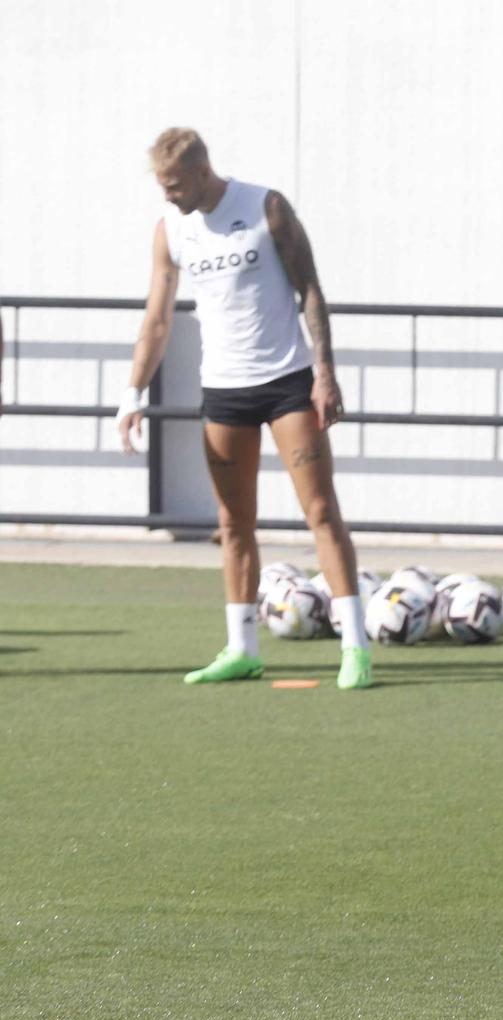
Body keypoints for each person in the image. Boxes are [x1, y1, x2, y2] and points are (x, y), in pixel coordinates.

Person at [116, 128, 372, 688]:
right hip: (224, 391)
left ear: (203, 172)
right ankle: (242, 648)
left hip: (286, 382)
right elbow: (157, 320)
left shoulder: (265, 206)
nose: (168, 195)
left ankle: (355, 645)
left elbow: (310, 290)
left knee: (321, 511)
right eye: (162, 185)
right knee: (233, 524)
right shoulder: (171, 230)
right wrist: (132, 395)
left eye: (175, 185)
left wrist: (325, 373)